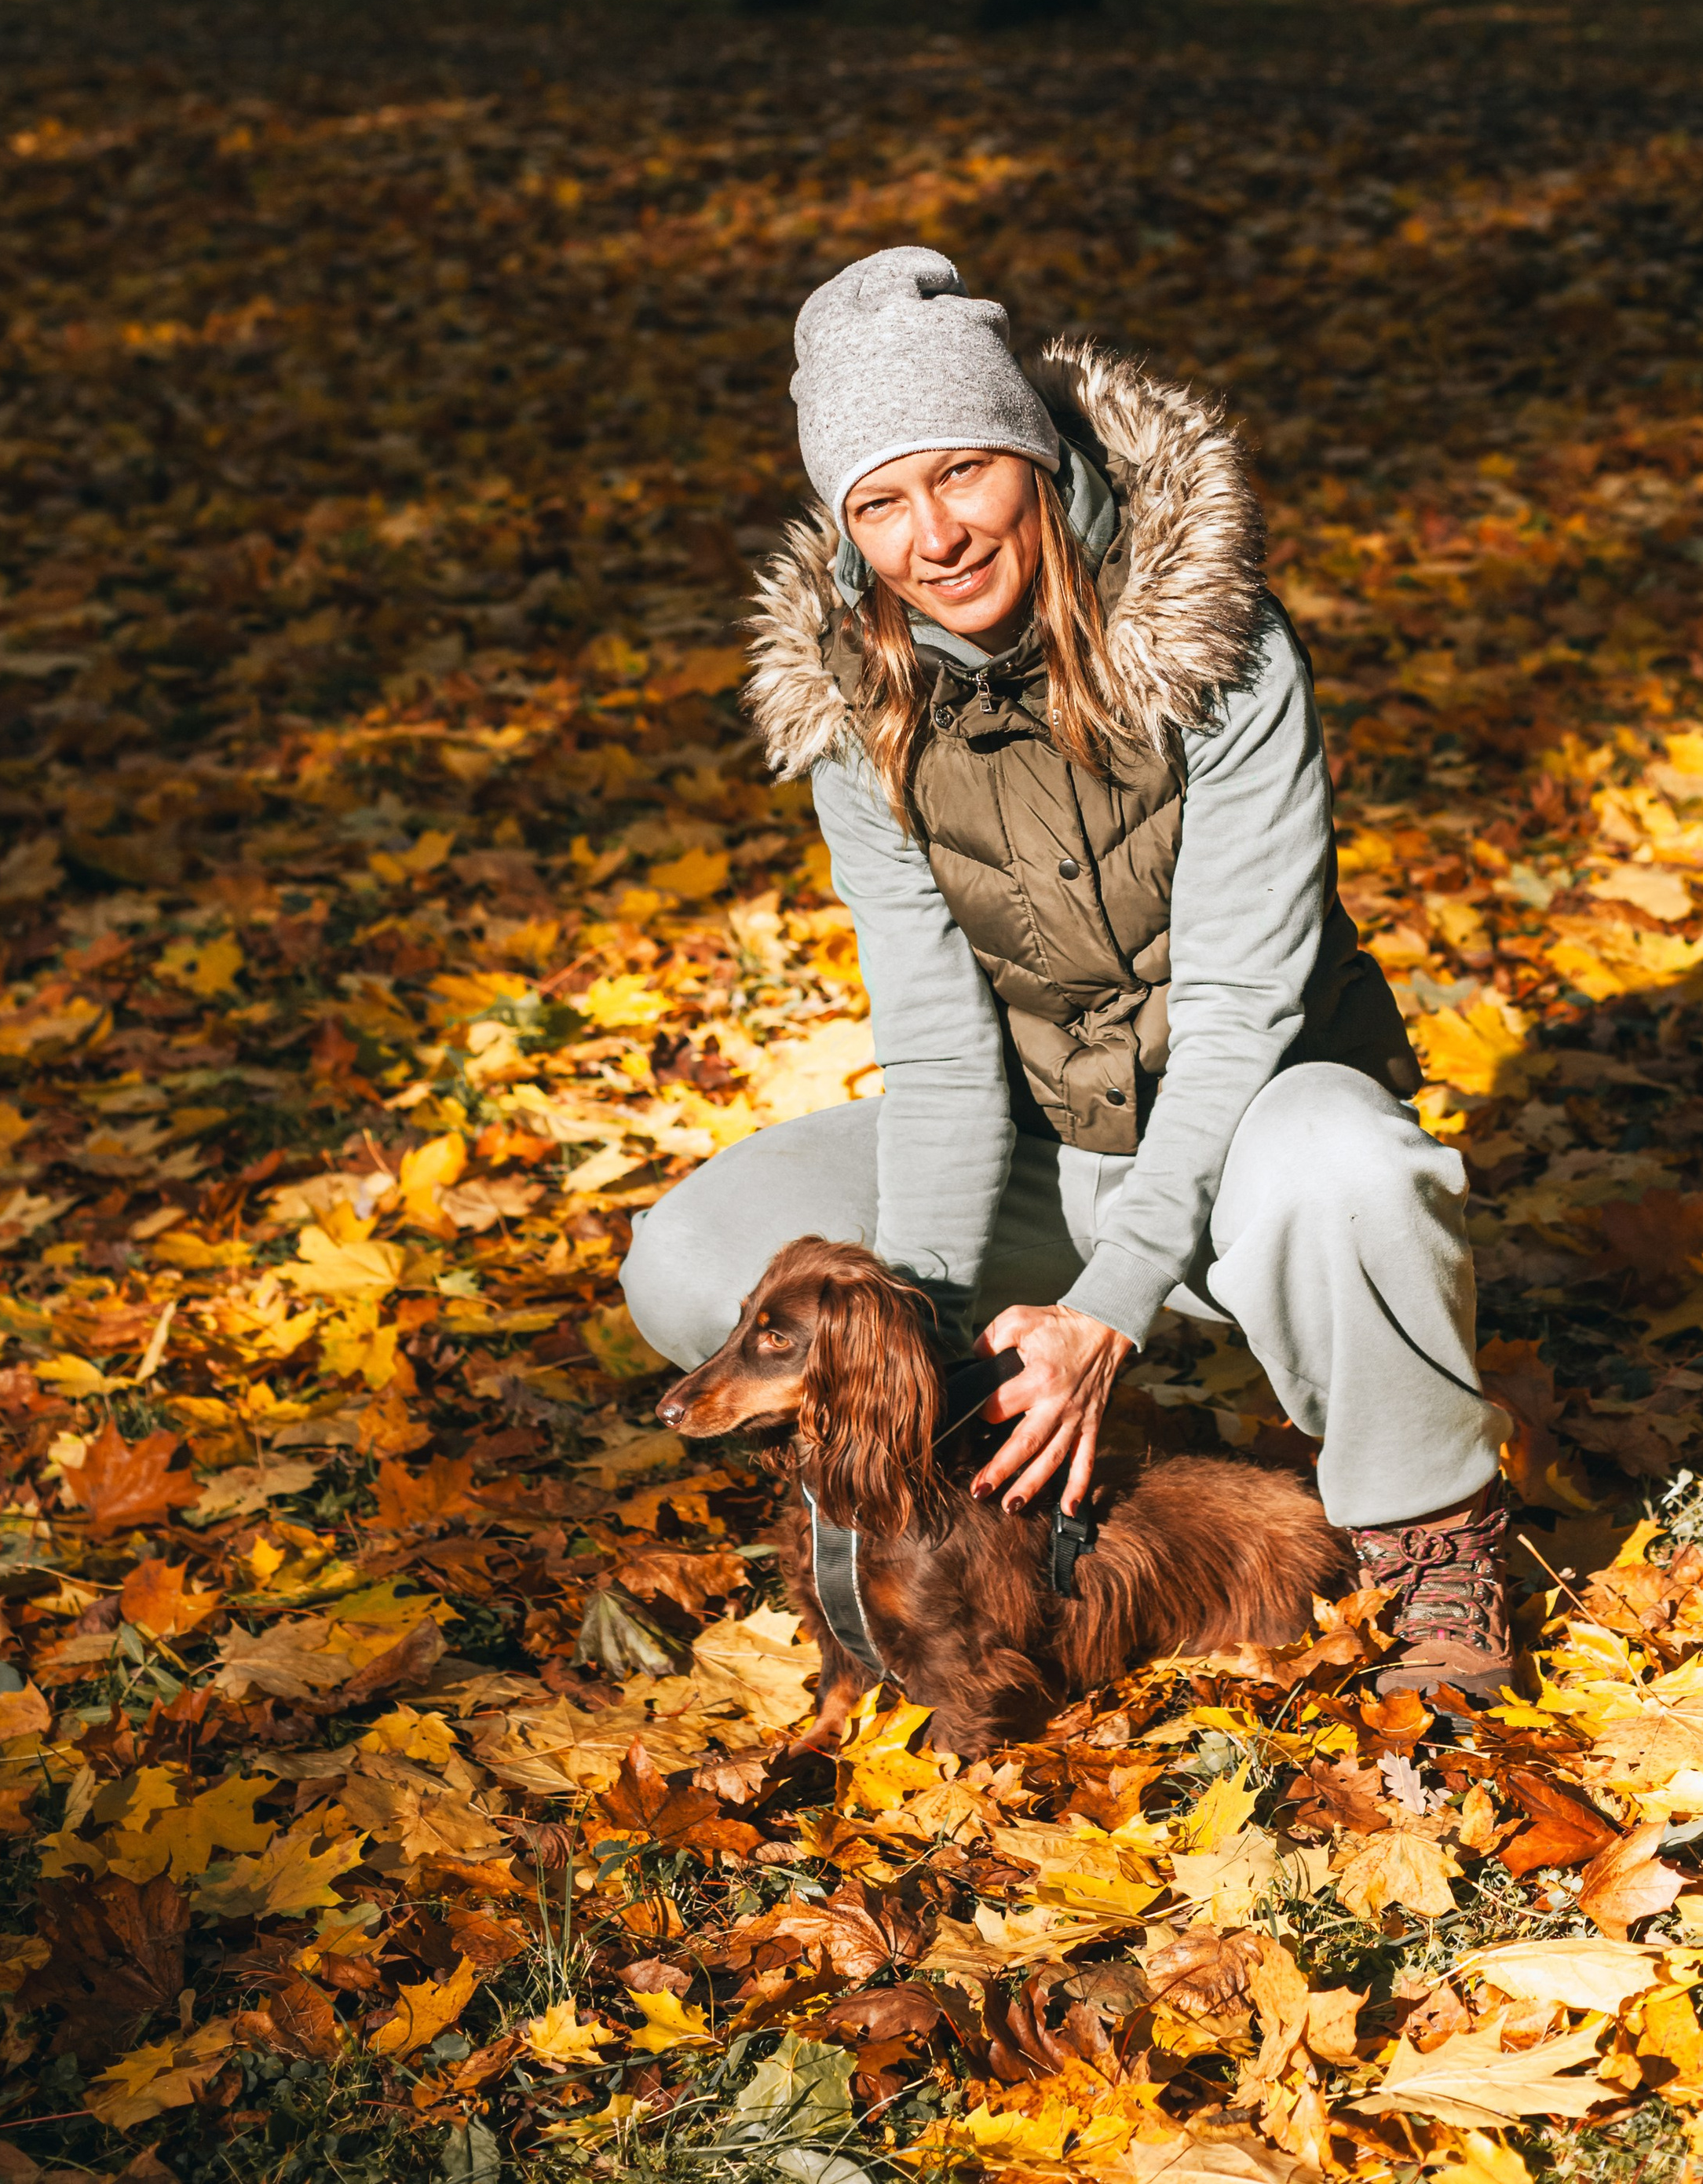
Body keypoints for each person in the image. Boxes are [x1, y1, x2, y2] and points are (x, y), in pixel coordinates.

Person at [623, 246, 1520, 1701]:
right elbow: (937, 1046)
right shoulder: (861, 710)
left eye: (964, 472)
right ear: (847, 534)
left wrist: (1109, 1304)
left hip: (1246, 1124)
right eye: (882, 503)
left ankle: (1431, 1533)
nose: (938, 535)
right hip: (1044, 1142)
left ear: (1036, 460)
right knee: (696, 1258)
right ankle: (984, 1472)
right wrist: (905, 1338)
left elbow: (1239, 1011)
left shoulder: (1218, 650)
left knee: (1350, 1167)